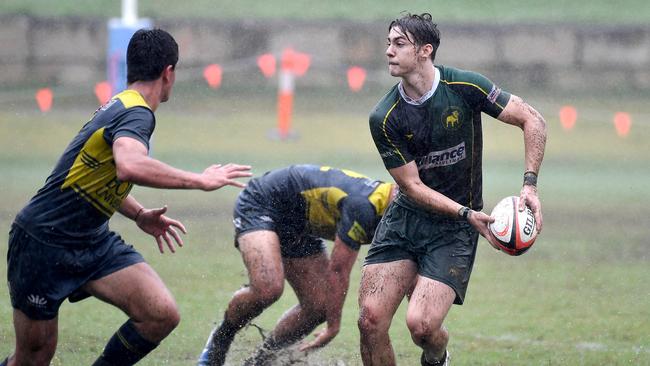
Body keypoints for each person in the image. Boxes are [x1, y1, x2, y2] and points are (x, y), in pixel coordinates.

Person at [2, 28, 251, 366]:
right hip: (44, 241)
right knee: (33, 359)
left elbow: (95, 173)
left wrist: (137, 214)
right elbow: (129, 165)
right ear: (168, 72)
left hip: (91, 240)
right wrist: (201, 180)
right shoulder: (136, 113)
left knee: (159, 313)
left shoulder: (121, 105)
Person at [358, 13, 547, 366]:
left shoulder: (465, 87)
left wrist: (530, 186)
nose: (388, 51)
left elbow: (532, 119)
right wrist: (466, 211)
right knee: (370, 321)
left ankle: (437, 357)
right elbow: (411, 186)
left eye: (399, 44)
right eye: (388, 43)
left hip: (453, 231)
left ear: (425, 51)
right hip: (406, 220)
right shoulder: (384, 116)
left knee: (422, 326)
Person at [197, 164, 398, 366]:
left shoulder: (405, 214)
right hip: (262, 202)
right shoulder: (365, 207)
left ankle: (261, 361)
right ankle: (221, 339)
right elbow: (338, 270)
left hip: (301, 223)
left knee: (319, 306)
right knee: (268, 288)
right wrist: (333, 326)